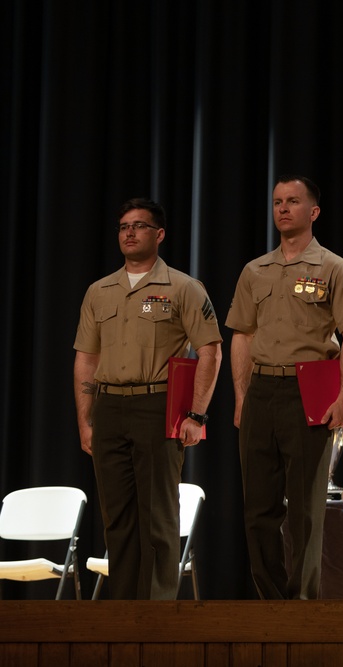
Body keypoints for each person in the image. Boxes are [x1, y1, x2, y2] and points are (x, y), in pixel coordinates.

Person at [227, 175, 343, 599]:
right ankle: (271, 601)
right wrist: (241, 396)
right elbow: (242, 336)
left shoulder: (335, 268)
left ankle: (302, 600)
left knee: (305, 510)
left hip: (309, 391)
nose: (283, 209)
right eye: (277, 202)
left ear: (314, 212)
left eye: (293, 201)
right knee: (258, 508)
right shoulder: (255, 270)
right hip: (262, 391)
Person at [73, 198, 222, 600]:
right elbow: (87, 358)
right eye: (123, 226)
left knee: (157, 515)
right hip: (110, 407)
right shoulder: (99, 291)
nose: (129, 233)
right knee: (117, 517)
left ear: (159, 235)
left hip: (157, 406)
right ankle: (123, 611)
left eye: (139, 226)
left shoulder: (184, 287)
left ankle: (157, 612)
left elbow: (210, 350)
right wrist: (86, 420)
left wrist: (197, 415)